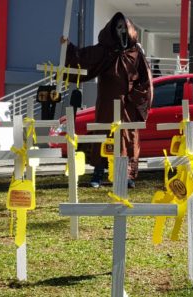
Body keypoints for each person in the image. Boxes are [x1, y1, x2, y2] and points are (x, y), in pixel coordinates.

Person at [61, 12, 153, 188]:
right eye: (118, 27)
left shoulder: (136, 54)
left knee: (127, 138)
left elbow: (146, 80)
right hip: (107, 103)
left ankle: (127, 176)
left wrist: (135, 97)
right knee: (103, 136)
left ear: (131, 29)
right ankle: (98, 173)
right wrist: (69, 48)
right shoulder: (104, 51)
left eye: (124, 27)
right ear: (113, 30)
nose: (122, 30)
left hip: (127, 107)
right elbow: (84, 59)